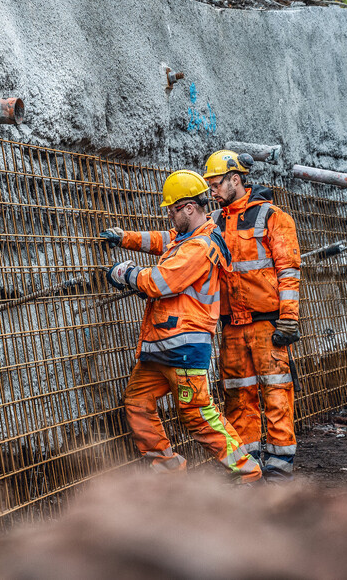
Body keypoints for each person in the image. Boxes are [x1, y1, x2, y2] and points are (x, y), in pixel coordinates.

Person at [102, 170, 262, 483]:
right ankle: (168, 471)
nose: (170, 217)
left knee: (198, 416)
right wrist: (125, 238)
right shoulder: (186, 237)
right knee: (137, 402)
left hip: (184, 350)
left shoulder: (199, 247)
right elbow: (162, 240)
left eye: (172, 211)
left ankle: (248, 471)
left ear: (188, 208)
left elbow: (163, 281)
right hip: (161, 349)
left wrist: (125, 273)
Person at [203, 150, 301, 481]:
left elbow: (288, 270)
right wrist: (130, 241)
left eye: (216, 184)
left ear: (236, 179)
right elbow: (177, 241)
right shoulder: (213, 223)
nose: (213, 192)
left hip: (267, 323)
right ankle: (250, 468)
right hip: (232, 327)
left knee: (276, 392)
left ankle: (280, 470)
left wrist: (288, 318)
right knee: (237, 397)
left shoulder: (273, 217)